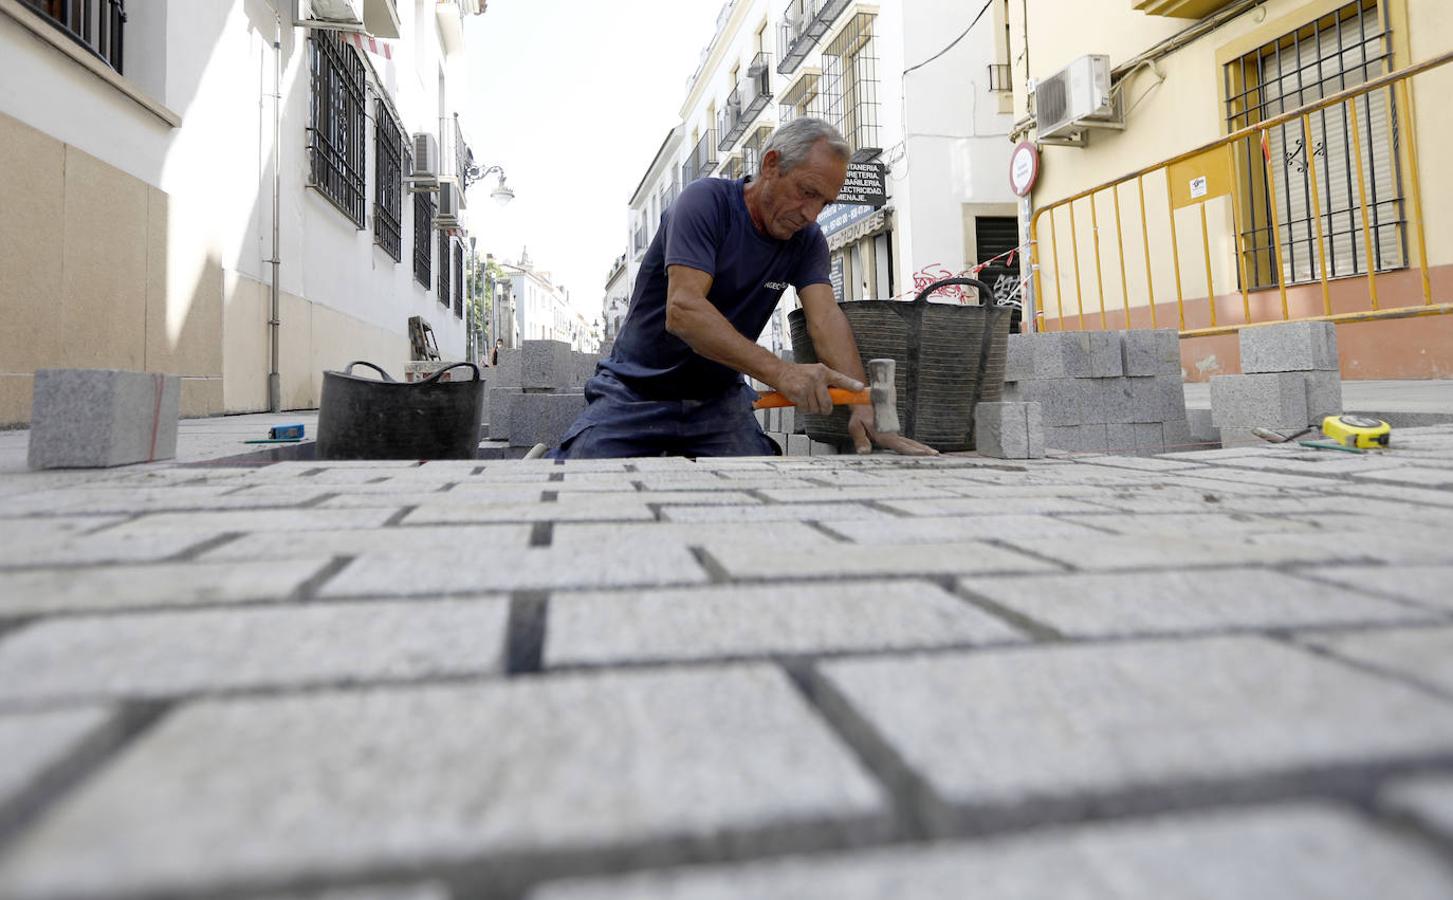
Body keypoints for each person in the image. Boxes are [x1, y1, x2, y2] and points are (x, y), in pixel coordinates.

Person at [553, 118, 935, 459]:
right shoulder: (704, 204)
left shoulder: (806, 240)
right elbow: (683, 311)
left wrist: (863, 404)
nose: (811, 213)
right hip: (635, 391)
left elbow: (826, 318)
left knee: (760, 487)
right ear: (771, 165)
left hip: (717, 401)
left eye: (824, 202)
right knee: (579, 481)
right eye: (806, 191)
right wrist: (782, 373)